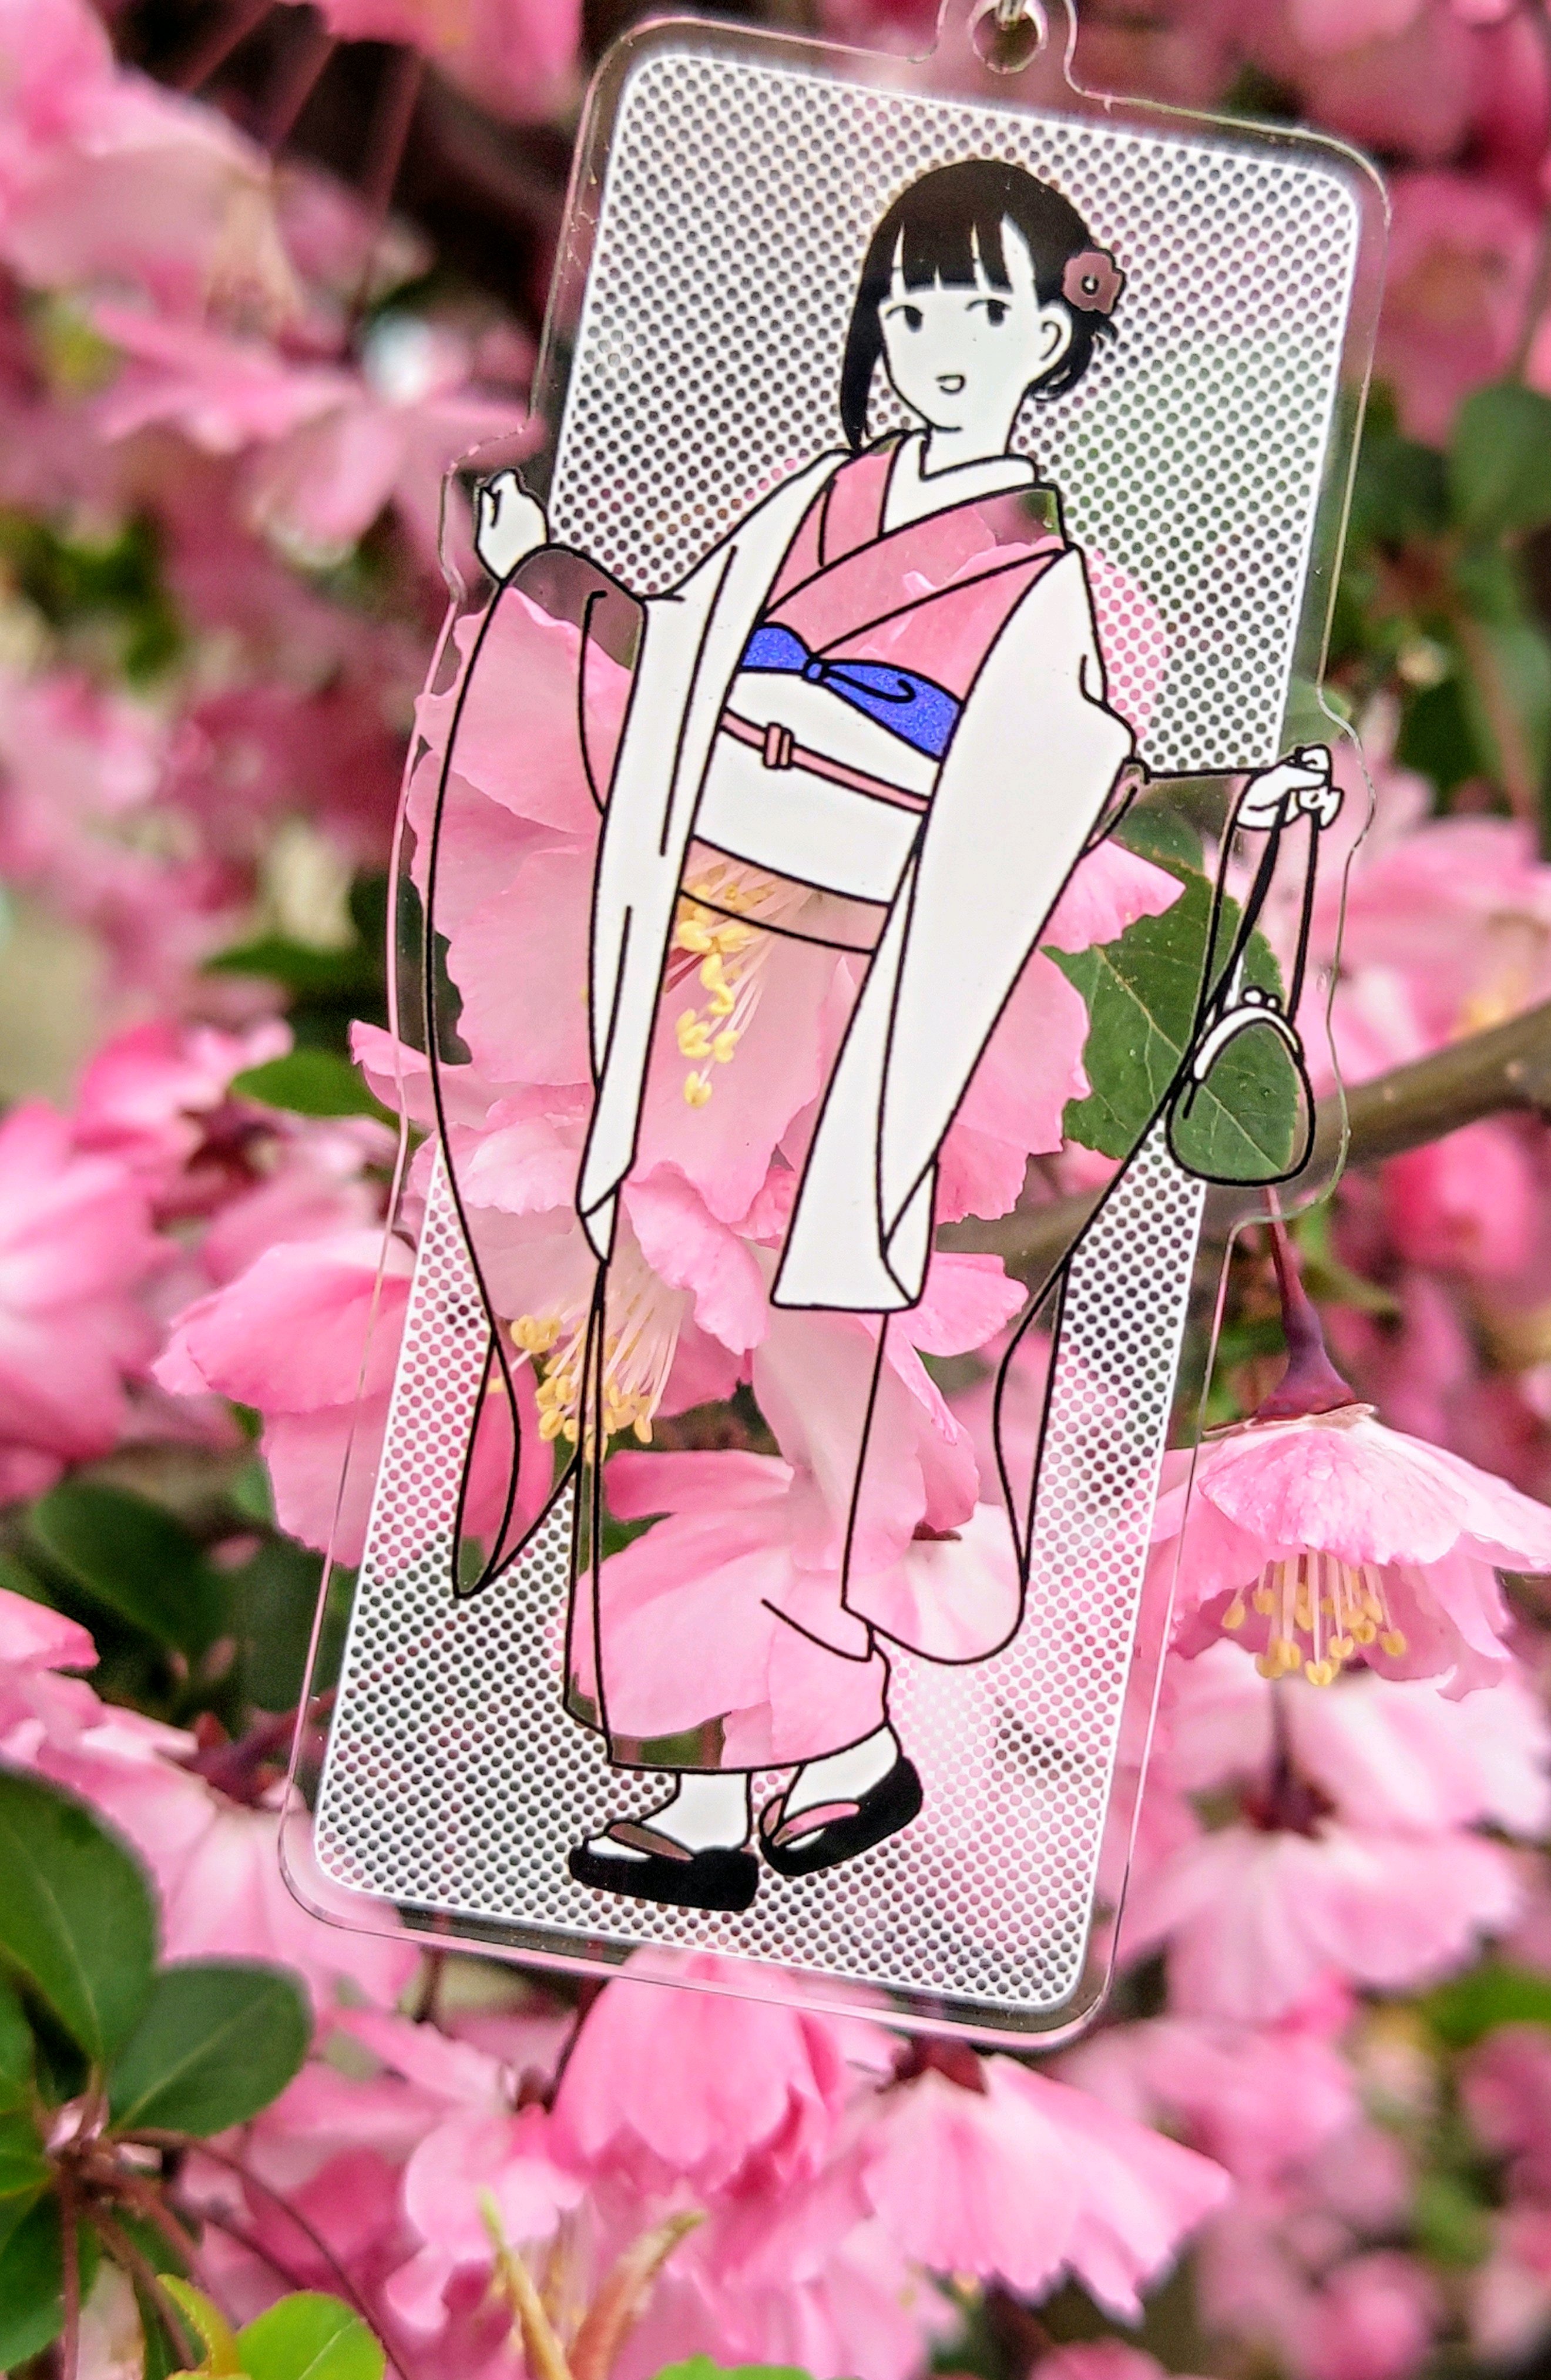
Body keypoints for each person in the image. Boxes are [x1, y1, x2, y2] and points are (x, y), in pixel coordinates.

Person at [446, 157, 1338, 1912]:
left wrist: (1240, 792)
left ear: (1053, 349)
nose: (944, 338)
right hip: (722, 926)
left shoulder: (1059, 576)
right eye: (916, 306)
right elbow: (684, 654)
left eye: (987, 311)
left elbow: (1077, 773)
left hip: (879, 993)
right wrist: (545, 571)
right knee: (827, 1427)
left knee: (839, 1423)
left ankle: (803, 1769)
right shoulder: (810, 501)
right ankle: (820, 1764)